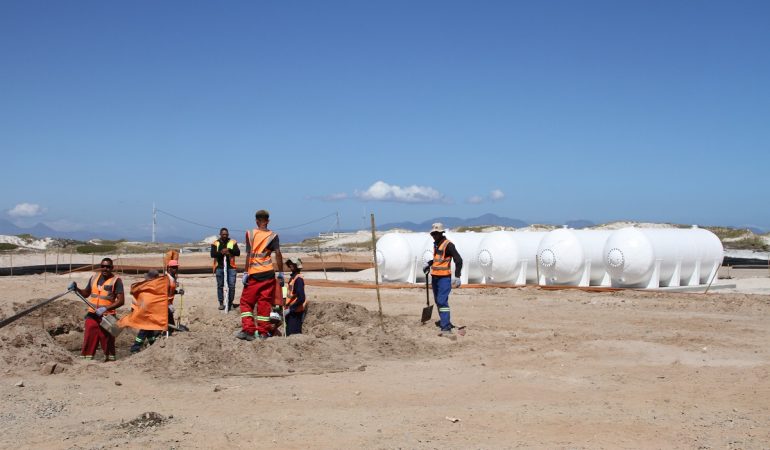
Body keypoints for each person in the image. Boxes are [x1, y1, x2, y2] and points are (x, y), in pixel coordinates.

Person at [236, 209, 284, 341]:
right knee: (264, 303)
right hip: (268, 273)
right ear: (268, 221)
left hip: (254, 274)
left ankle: (249, 330)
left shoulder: (250, 233)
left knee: (246, 302)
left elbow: (249, 254)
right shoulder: (273, 236)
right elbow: (278, 254)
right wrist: (280, 272)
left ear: (256, 221)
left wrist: (246, 272)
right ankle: (263, 331)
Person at [69, 257, 125, 361]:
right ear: (100, 267)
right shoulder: (94, 278)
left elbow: (121, 301)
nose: (105, 268)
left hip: (107, 316)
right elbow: (86, 293)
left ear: (112, 268)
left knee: (107, 339)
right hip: (92, 314)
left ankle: (110, 362)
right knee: (89, 336)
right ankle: (86, 361)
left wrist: (105, 308)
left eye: (108, 267)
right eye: (103, 266)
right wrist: (76, 289)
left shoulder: (116, 281)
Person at [423, 223, 463, 336]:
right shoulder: (436, 244)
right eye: (432, 234)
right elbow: (438, 260)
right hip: (435, 277)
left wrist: (458, 276)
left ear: (441, 233)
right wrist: (429, 264)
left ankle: (446, 328)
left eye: (436, 234)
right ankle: (445, 322)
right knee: (438, 302)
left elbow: (458, 260)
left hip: (444, 278)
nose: (434, 236)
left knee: (442, 301)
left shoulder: (448, 245)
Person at [211, 227, 241, 310]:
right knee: (220, 286)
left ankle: (230, 303)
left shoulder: (233, 242)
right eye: (223, 234)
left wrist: (229, 250)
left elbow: (237, 253)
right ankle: (221, 303)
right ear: (220, 234)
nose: (225, 235)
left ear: (228, 234)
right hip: (219, 267)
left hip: (231, 267)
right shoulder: (215, 243)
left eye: (226, 234)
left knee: (231, 286)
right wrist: (221, 252)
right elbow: (213, 254)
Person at [284, 258, 306, 336]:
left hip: (295, 313)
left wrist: (291, 309)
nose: (290, 265)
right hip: (291, 311)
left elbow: (302, 298)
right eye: (289, 264)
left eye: (292, 264)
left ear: (297, 265)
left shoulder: (298, 279)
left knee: (293, 335)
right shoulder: (293, 278)